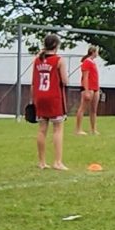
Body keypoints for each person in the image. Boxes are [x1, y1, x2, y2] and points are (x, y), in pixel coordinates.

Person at [30, 33, 69, 170]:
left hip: (40, 96)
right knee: (58, 129)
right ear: (56, 45)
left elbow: (33, 82)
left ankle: (41, 162)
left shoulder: (37, 60)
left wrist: (33, 100)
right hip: (54, 97)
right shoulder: (59, 60)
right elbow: (65, 81)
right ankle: (57, 162)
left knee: (42, 130)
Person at [76, 44, 104, 136]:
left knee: (94, 110)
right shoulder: (87, 62)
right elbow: (85, 77)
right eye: (97, 51)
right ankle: (78, 129)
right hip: (89, 88)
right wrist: (86, 90)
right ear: (93, 52)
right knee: (83, 108)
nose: (97, 53)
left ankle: (93, 129)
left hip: (95, 88)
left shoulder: (93, 62)